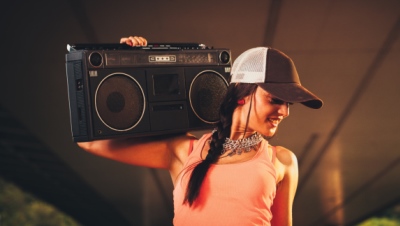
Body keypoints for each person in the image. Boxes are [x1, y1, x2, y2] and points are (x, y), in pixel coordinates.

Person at [78, 36, 323, 226]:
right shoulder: (184, 152)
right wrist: (125, 60)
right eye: (275, 99)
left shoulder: (281, 161)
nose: (285, 111)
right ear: (241, 95)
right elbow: (90, 142)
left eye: (288, 103)